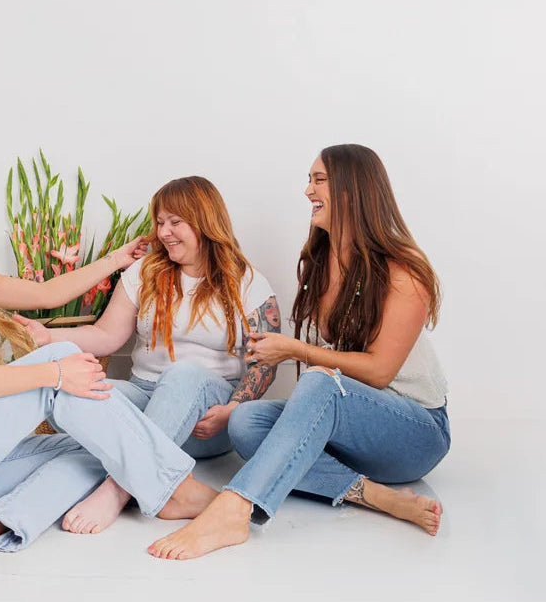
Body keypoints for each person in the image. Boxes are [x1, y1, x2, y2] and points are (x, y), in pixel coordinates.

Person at [0, 143, 217, 569]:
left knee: (95, 451)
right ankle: (172, 488)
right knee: (64, 356)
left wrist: (117, 259)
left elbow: (45, 295)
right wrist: (54, 373)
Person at [148, 144, 450, 560]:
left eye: (319, 180)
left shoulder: (404, 270)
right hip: (349, 436)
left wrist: (293, 348)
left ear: (352, 190)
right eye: (309, 180)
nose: (308, 190)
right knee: (246, 423)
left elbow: (379, 373)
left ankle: (235, 507)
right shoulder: (320, 263)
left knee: (321, 383)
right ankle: (373, 496)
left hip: (414, 432)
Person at [17, 176, 281, 534]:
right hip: (144, 396)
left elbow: (264, 360)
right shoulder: (146, 272)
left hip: (207, 418)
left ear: (205, 221)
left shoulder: (246, 280)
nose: (165, 232)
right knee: (74, 392)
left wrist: (232, 411)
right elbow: (106, 336)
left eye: (175, 222)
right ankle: (152, 477)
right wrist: (47, 335)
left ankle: (118, 490)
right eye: (160, 222)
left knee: (182, 374)